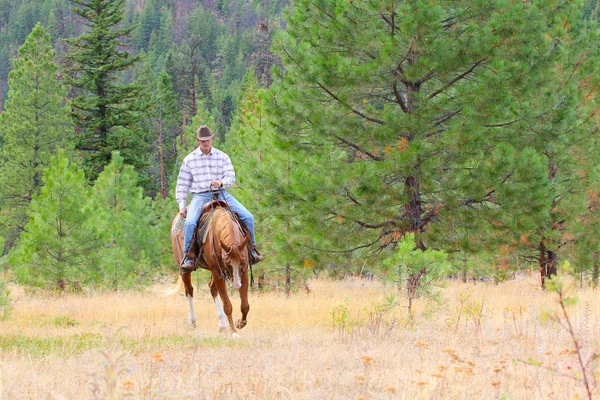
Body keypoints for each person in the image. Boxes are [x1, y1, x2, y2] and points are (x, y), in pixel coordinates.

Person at [176, 125, 264, 270]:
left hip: (221, 193)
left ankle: (251, 250)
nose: (205, 143)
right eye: (202, 140)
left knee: (248, 217)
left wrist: (221, 182)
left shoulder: (222, 157)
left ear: (212, 139)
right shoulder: (189, 160)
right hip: (200, 195)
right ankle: (188, 256)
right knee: (190, 223)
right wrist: (182, 205)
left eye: (208, 140)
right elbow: (182, 184)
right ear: (198, 141)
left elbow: (231, 176)